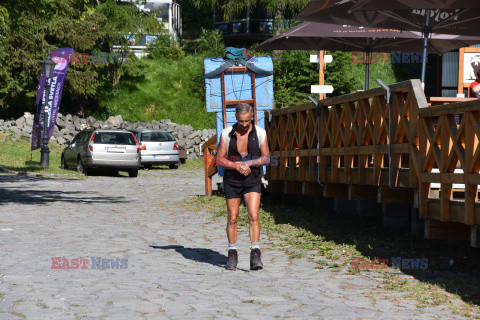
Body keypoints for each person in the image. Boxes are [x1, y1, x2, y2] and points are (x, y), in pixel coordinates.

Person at [216, 103, 270, 271]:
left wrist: (249, 162)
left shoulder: (260, 133)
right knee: (233, 217)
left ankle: (255, 253)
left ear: (252, 116)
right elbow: (219, 159)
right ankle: (232, 252)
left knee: (253, 215)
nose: (245, 124)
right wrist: (236, 166)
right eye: (241, 121)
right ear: (236, 118)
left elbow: (266, 158)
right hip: (232, 181)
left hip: (252, 180)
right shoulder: (226, 134)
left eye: (247, 120)